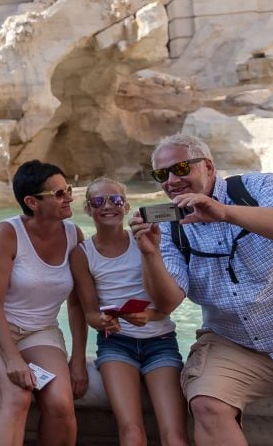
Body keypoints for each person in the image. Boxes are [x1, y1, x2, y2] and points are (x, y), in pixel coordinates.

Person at [131, 134, 273, 446]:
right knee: (207, 404)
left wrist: (224, 212)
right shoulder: (167, 226)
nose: (171, 180)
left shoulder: (258, 188)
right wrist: (149, 254)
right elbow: (167, 302)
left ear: (207, 166)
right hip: (236, 345)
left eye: (180, 168)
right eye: (161, 174)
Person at [0, 160, 88, 446]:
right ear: (32, 202)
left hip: (40, 328)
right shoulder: (8, 233)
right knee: (17, 395)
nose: (68, 197)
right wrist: (12, 357)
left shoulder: (74, 235)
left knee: (61, 404)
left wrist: (78, 358)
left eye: (67, 189)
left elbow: (76, 304)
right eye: (58, 194)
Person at [69, 178, 188, 446]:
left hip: (160, 342)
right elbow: (88, 313)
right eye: (98, 201)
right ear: (88, 209)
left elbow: (166, 303)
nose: (108, 206)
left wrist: (150, 315)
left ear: (127, 206)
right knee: (132, 433)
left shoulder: (145, 241)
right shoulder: (82, 253)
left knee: (175, 436)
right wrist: (101, 321)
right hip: (116, 346)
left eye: (115, 200)